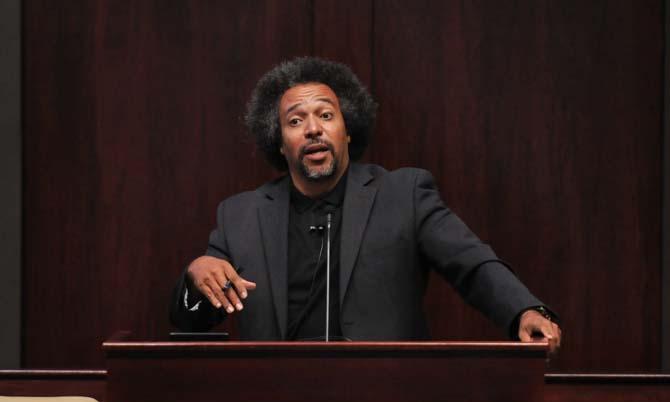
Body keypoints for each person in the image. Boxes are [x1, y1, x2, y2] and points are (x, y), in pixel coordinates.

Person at [170, 57, 561, 351]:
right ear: (278, 141)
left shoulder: (403, 194)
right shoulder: (240, 215)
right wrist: (195, 274)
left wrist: (524, 311)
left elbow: (472, 264)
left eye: (326, 115)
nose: (313, 129)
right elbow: (191, 324)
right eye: (295, 121)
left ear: (347, 130)